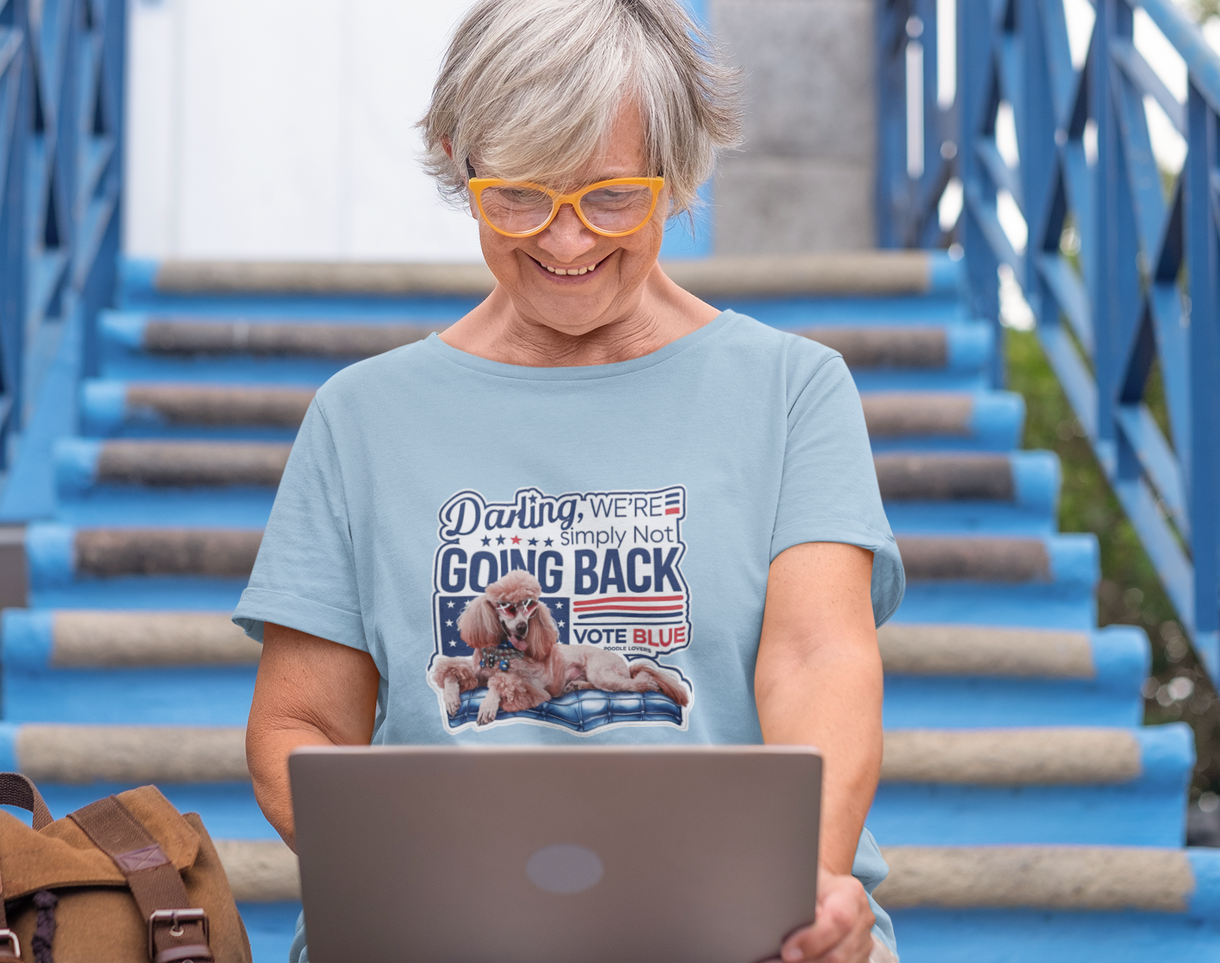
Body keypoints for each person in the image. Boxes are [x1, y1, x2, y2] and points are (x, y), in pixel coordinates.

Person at [235, 1, 904, 960]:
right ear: (458, 160)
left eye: (609, 196)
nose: (564, 240)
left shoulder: (793, 391)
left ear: (676, 173)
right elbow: (300, 720)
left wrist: (809, 885)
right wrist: (412, 880)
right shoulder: (360, 417)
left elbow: (816, 660)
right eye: (519, 196)